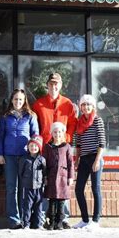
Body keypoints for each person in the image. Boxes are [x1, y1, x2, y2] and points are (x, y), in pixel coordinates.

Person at [32, 72, 77, 229]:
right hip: (45, 149)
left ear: (61, 85)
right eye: (51, 83)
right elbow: (34, 126)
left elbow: (72, 124)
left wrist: (67, 139)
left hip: (62, 149)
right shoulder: (38, 104)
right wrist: (36, 144)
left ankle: (63, 218)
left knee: (63, 182)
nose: (54, 86)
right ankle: (45, 217)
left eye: (56, 83)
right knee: (46, 182)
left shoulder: (68, 104)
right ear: (47, 85)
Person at [0, 89, 39, 229]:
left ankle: (24, 218)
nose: (18, 102)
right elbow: (0, 137)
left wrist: (34, 153)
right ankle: (14, 220)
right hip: (9, 156)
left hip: (25, 156)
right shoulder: (5, 117)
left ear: (24, 100)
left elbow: (36, 135)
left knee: (24, 188)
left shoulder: (31, 116)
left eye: (20, 99)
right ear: (11, 100)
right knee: (11, 188)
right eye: (15, 99)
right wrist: (0, 154)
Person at [73, 94, 106, 229]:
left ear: (93, 106)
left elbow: (102, 143)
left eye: (89, 104)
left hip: (95, 157)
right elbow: (78, 144)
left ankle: (96, 220)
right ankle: (85, 220)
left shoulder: (97, 120)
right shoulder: (79, 123)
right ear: (81, 107)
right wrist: (76, 160)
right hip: (84, 159)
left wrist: (97, 161)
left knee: (95, 188)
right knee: (78, 189)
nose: (86, 107)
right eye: (84, 104)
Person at [43, 122, 74, 230]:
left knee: (61, 201)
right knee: (52, 201)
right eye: (55, 132)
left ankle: (59, 222)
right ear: (52, 133)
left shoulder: (67, 146)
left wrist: (70, 177)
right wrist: (45, 177)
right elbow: (44, 163)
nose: (57, 134)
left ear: (63, 133)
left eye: (60, 132)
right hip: (51, 177)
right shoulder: (47, 147)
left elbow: (70, 163)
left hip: (63, 178)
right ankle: (51, 221)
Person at [18, 135, 46, 229]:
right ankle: (26, 224)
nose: (33, 148)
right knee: (27, 206)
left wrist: (44, 181)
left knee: (38, 207)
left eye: (35, 146)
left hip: (38, 187)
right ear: (28, 147)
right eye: (31, 146)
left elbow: (45, 172)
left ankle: (38, 224)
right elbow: (20, 172)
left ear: (39, 148)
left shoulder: (42, 160)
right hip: (27, 187)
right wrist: (24, 182)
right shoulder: (24, 159)